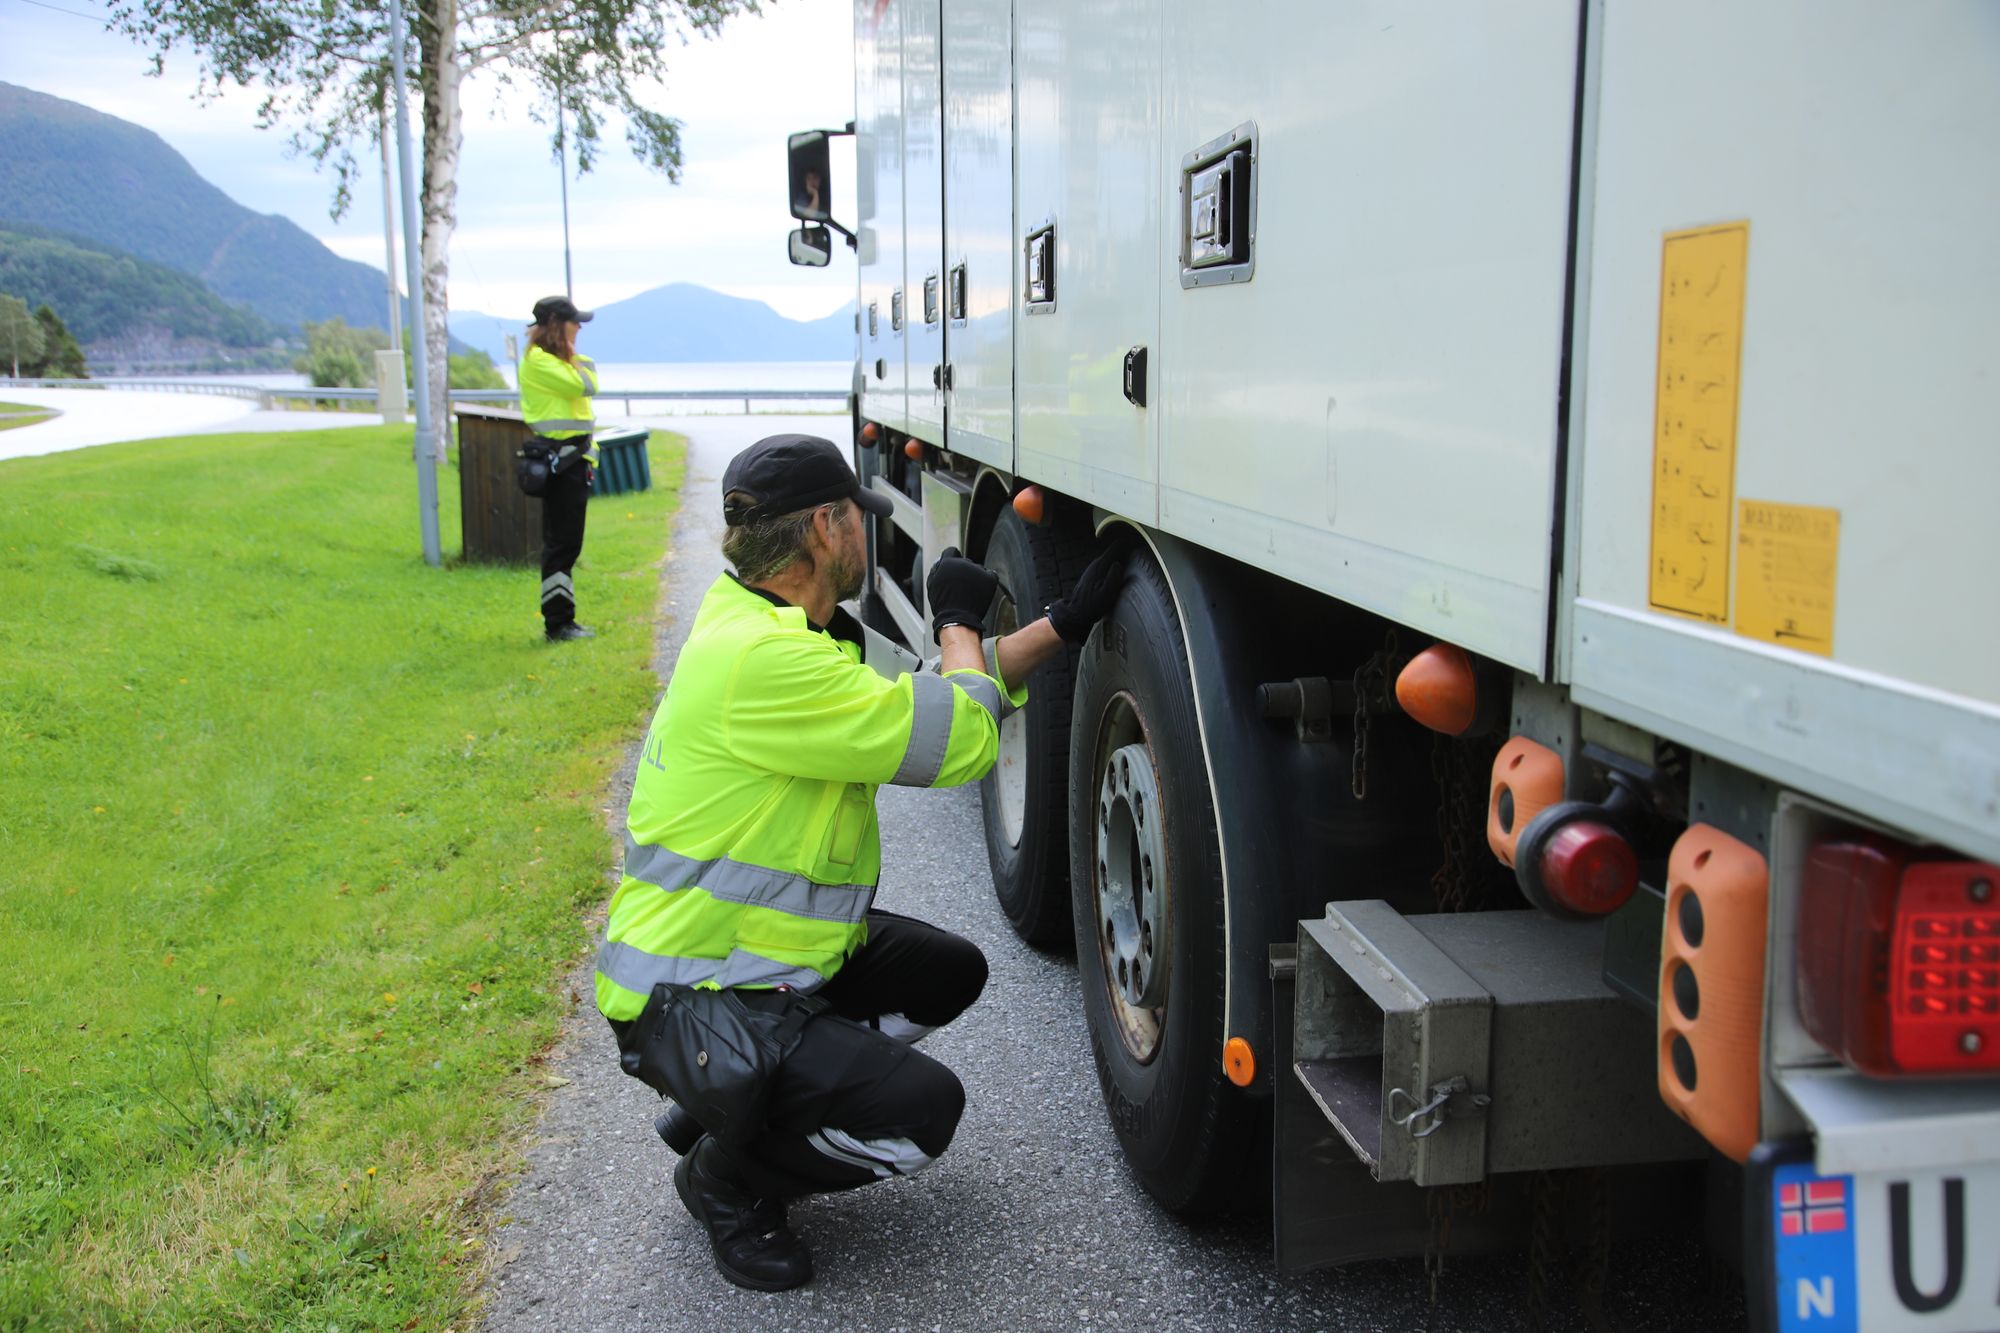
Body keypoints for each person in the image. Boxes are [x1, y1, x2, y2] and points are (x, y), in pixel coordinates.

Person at [596, 433, 1128, 1291]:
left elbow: (917, 698)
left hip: (751, 963)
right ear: (823, 527)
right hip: (687, 992)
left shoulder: (767, 628)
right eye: (857, 518)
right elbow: (955, 737)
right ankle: (725, 1177)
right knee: (922, 1113)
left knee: (946, 971)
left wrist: (1057, 630)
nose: (865, 534)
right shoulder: (766, 663)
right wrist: (956, 618)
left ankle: (741, 1101)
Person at [518, 295, 601, 642]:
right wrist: (570, 351)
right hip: (561, 463)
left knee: (566, 544)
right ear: (557, 325)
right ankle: (558, 623)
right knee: (561, 546)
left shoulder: (553, 361)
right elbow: (586, 383)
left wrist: (567, 352)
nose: (579, 328)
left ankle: (562, 619)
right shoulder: (539, 361)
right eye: (574, 322)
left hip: (572, 462)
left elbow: (585, 379)